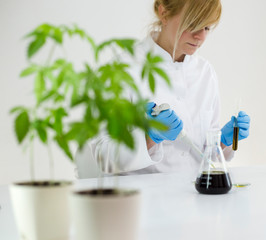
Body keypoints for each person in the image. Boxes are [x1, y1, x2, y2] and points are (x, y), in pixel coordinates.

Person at [75, 0, 250, 177]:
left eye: (206, 28)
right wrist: (150, 137)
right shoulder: (123, 69)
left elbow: (202, 155)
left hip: (197, 194)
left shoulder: (205, 72)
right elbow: (102, 155)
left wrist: (223, 142)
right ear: (164, 13)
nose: (201, 37)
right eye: (193, 24)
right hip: (144, 200)